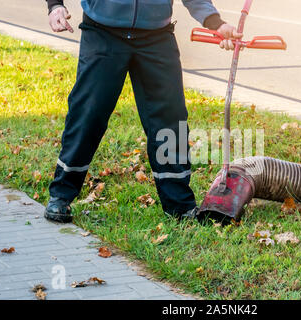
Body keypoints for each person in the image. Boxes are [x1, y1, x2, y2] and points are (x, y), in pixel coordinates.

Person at [44, 0, 242, 223]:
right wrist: (55, 5)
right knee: (88, 114)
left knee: (170, 120)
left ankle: (179, 206)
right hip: (102, 33)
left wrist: (215, 23)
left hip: (156, 37)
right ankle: (61, 196)